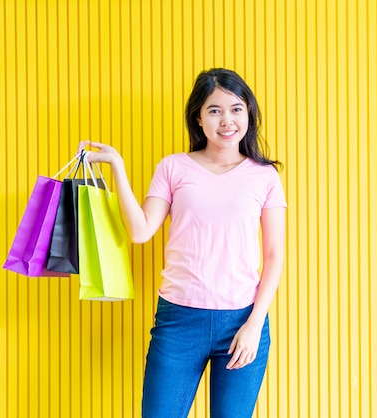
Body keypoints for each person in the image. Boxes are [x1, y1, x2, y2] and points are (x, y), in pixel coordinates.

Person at [79, 68, 287, 418]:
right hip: (179, 320)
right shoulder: (173, 168)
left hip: (242, 320)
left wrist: (254, 324)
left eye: (236, 108)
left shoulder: (264, 176)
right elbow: (141, 231)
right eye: (215, 110)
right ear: (199, 118)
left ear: (248, 113)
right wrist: (118, 167)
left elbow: (274, 255)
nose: (227, 120)